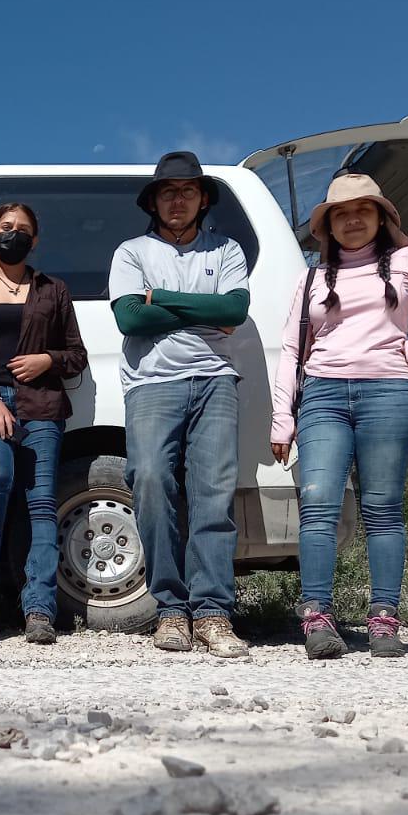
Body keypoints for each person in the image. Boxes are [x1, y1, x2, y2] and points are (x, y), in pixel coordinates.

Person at [270, 173, 408, 658]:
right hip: (322, 397)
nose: (352, 219)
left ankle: (384, 622)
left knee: (383, 509)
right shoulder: (310, 278)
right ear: (328, 225)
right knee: (318, 505)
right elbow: (291, 348)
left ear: (381, 217)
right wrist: (281, 418)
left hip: (388, 394)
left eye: (363, 210)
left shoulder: (407, 262)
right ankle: (317, 621)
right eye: (340, 213)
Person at [109, 150, 251, 658]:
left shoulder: (227, 249)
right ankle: (171, 610)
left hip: (215, 379)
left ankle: (213, 613)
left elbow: (234, 309)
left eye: (187, 190)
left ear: (202, 198)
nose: (177, 199)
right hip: (150, 382)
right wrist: (203, 312)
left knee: (213, 494)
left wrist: (161, 300)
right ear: (154, 200)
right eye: (167, 191)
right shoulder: (130, 252)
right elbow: (130, 321)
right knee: (148, 481)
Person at [0, 202, 87, 644]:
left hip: (42, 408)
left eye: (21, 230)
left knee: (40, 506)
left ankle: (39, 608)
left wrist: (46, 359)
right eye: (5, 228)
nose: (12, 235)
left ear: (34, 241)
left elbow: (77, 355)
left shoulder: (52, 289)